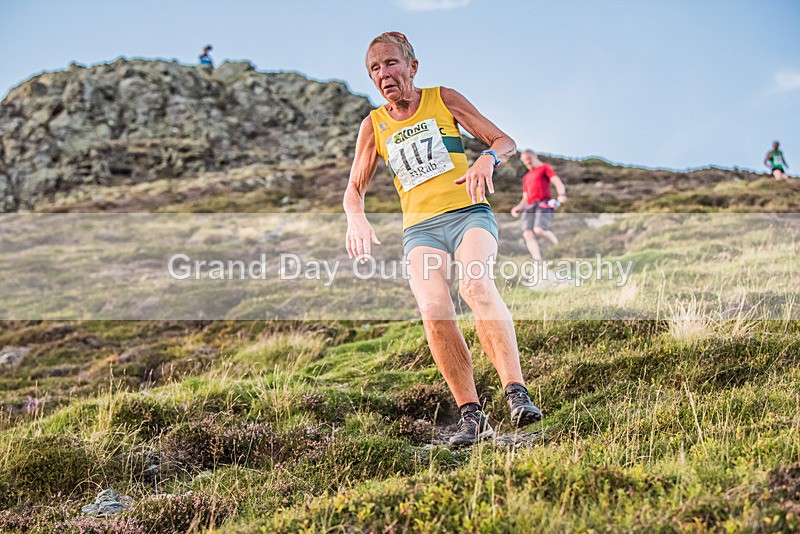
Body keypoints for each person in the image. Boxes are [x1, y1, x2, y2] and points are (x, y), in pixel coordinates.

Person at [343, 32, 542, 446]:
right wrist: (356, 218)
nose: (384, 74)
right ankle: (472, 416)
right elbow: (353, 190)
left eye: (391, 63)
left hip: (468, 214)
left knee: (474, 285)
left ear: (412, 67)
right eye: (375, 69)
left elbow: (504, 141)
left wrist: (486, 159)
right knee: (434, 309)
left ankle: (516, 393)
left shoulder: (443, 98)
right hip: (421, 231)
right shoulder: (373, 125)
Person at [510, 150, 567, 261]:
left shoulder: (544, 168)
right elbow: (525, 197)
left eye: (529, 158)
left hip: (543, 203)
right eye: (525, 161)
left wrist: (561, 194)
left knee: (539, 229)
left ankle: (559, 248)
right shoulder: (526, 177)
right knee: (527, 233)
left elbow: (556, 181)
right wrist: (519, 207)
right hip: (529, 206)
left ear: (535, 156)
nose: (528, 162)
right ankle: (537, 260)